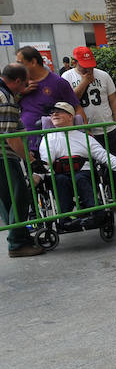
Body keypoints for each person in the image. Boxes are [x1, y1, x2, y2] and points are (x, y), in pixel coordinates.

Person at [38, 102, 116, 229]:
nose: (54, 114)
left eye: (59, 111)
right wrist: (38, 176)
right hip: (60, 175)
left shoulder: (84, 138)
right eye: (52, 112)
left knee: (80, 178)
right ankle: (65, 219)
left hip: (84, 174)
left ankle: (96, 213)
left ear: (71, 117)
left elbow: (103, 155)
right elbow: (45, 163)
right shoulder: (48, 139)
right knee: (60, 180)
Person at [0, 63, 43, 257]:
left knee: (7, 201)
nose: (26, 86)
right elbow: (10, 136)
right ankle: (17, 243)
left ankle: (19, 236)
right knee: (20, 197)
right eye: (24, 82)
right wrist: (28, 157)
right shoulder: (6, 99)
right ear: (17, 81)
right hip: (4, 157)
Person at [16, 45, 84, 151]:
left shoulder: (58, 82)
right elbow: (7, 104)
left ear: (33, 62)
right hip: (28, 144)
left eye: (20, 63)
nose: (17, 67)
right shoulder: (19, 83)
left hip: (54, 145)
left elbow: (77, 107)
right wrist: (22, 92)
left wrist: (85, 133)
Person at [62, 46, 116, 159]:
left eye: (90, 64)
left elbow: (113, 100)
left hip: (108, 128)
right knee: (90, 167)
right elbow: (70, 101)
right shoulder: (67, 77)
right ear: (75, 62)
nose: (88, 68)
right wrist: (85, 82)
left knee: (113, 164)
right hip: (82, 131)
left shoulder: (103, 75)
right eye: (84, 65)